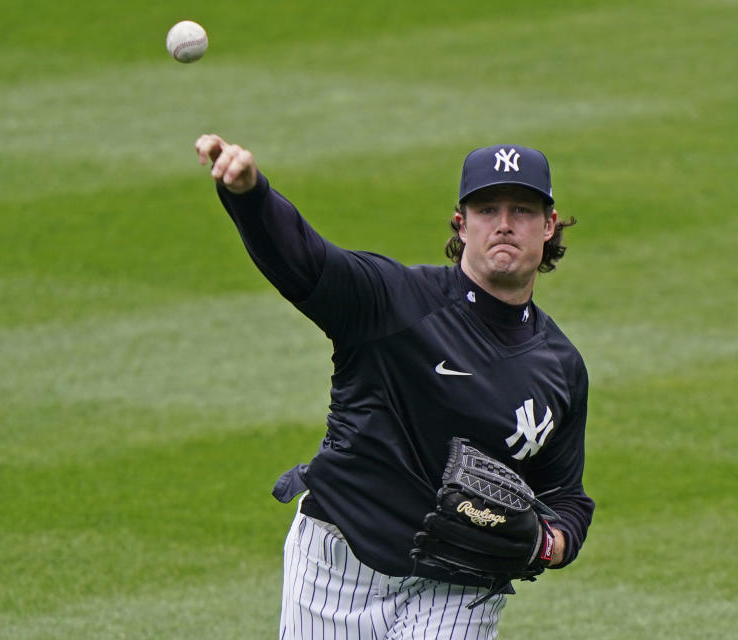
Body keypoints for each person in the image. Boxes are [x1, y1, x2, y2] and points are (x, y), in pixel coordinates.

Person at [194, 135, 595, 639]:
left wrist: (550, 543)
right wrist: (250, 195)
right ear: (461, 223)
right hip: (337, 563)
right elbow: (305, 261)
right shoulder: (393, 301)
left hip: (461, 584)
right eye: (487, 208)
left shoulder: (560, 366)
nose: (504, 224)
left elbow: (565, 494)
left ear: (549, 225)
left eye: (523, 209)